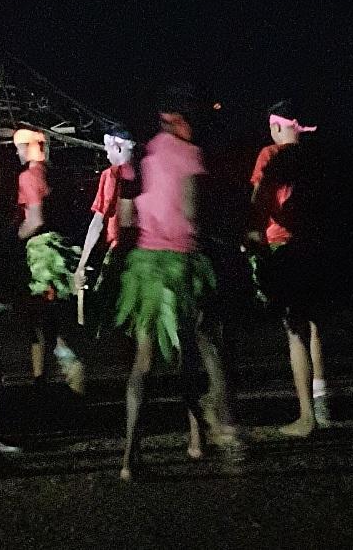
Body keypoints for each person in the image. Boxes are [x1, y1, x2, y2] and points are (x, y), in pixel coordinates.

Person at [115, 88, 232, 480]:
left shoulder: (144, 154)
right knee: (196, 350)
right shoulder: (189, 154)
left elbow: (127, 217)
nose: (192, 125)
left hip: (146, 268)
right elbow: (192, 211)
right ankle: (206, 434)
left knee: (143, 364)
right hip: (182, 263)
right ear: (175, 118)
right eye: (188, 118)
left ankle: (131, 457)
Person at [249, 100, 327, 435]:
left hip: (284, 246)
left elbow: (260, 198)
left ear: (279, 127)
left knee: (295, 330)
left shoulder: (271, 155)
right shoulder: (317, 157)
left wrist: (250, 235)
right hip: (318, 247)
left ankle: (306, 417)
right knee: (315, 324)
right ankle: (325, 404)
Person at [14, 128, 84, 392]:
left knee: (39, 319)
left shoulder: (29, 177)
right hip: (58, 249)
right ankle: (49, 375)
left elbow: (36, 219)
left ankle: (48, 377)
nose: (17, 152)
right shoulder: (52, 173)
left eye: (20, 147)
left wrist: (14, 236)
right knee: (50, 317)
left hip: (41, 255)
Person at [74, 128, 136, 337]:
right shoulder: (144, 170)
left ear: (117, 147)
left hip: (121, 249)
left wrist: (82, 264)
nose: (106, 154)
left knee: (106, 304)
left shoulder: (112, 175)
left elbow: (98, 222)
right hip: (145, 248)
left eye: (107, 149)